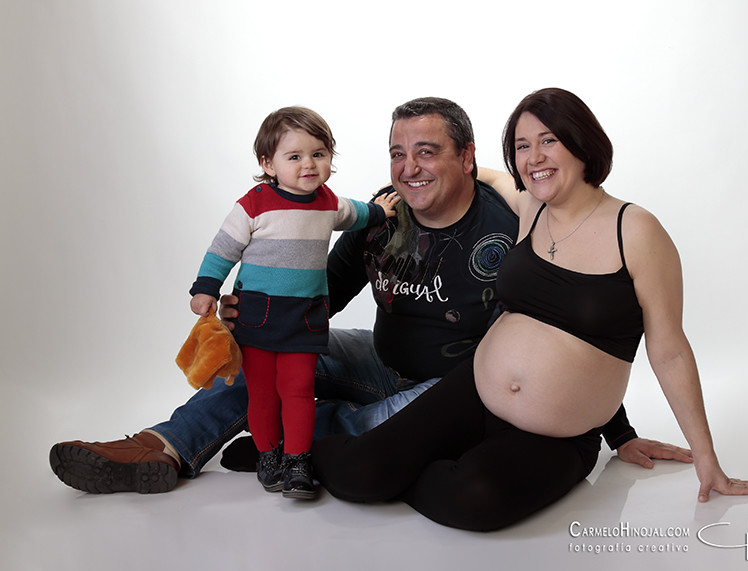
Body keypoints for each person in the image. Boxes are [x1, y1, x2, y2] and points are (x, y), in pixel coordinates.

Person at [49, 96, 690, 497]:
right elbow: (318, 299)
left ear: (468, 158)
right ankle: (161, 449)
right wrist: (255, 312)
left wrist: (617, 431)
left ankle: (288, 439)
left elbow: (578, 327)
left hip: (451, 392)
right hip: (376, 362)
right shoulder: (378, 221)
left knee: (368, 437)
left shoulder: (513, 224)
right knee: (270, 353)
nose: (408, 167)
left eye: (427, 151)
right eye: (397, 153)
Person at [309, 88, 748, 531]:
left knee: (473, 501)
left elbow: (669, 352)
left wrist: (705, 459)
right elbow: (484, 175)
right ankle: (295, 457)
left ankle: (410, 467)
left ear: (583, 143)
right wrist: (429, 168)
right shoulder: (530, 207)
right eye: (522, 146)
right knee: (358, 476)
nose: (534, 157)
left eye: (549, 141)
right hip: (473, 391)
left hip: (559, 433)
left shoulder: (636, 230)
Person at [187, 106, 399, 499]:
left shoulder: (327, 203)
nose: (309, 164)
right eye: (295, 156)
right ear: (268, 163)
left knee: (298, 390)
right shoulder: (254, 203)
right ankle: (268, 453)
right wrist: (206, 288)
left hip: (305, 320)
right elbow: (222, 250)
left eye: (319, 154)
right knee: (263, 393)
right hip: (257, 316)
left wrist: (380, 211)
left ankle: (298, 460)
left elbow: (356, 214)